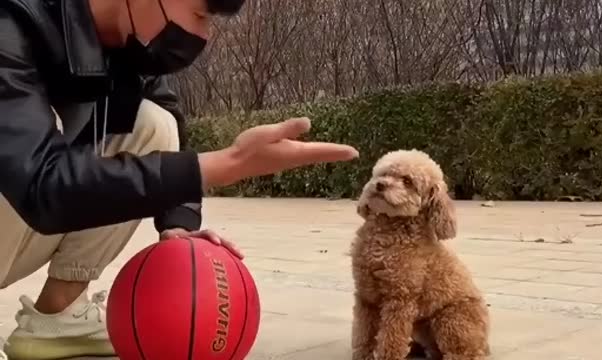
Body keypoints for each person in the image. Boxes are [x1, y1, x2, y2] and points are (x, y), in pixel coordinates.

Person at [0, 0, 359, 358]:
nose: (203, 35)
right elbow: (40, 181)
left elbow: (169, 124)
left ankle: (58, 314)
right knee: (34, 140)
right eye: (202, 14)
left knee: (153, 124)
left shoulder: (129, 46)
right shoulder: (12, 19)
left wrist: (178, 222)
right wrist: (226, 164)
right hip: (29, 194)